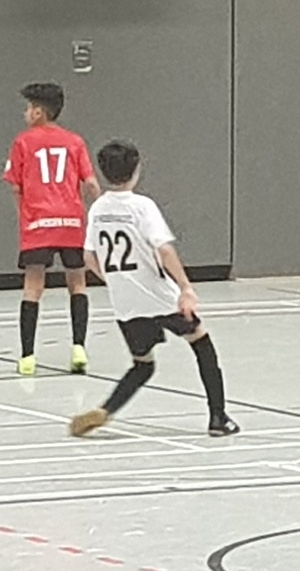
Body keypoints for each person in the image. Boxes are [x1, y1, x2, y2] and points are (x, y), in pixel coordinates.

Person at [68, 140, 239, 438]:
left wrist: (114, 280)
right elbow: (164, 250)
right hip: (160, 296)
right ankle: (218, 418)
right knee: (201, 343)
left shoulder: (98, 209)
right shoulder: (142, 206)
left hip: (126, 303)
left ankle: (106, 410)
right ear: (136, 170)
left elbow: (88, 257)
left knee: (143, 364)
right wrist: (185, 287)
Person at [3, 83, 100, 376]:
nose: (25, 113)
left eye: (28, 108)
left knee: (33, 287)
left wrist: (25, 213)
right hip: (71, 222)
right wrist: (99, 212)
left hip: (38, 224)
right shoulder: (74, 142)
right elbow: (90, 183)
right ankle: (79, 348)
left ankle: (28, 357)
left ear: (38, 111)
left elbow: (14, 185)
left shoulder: (23, 142)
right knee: (77, 283)